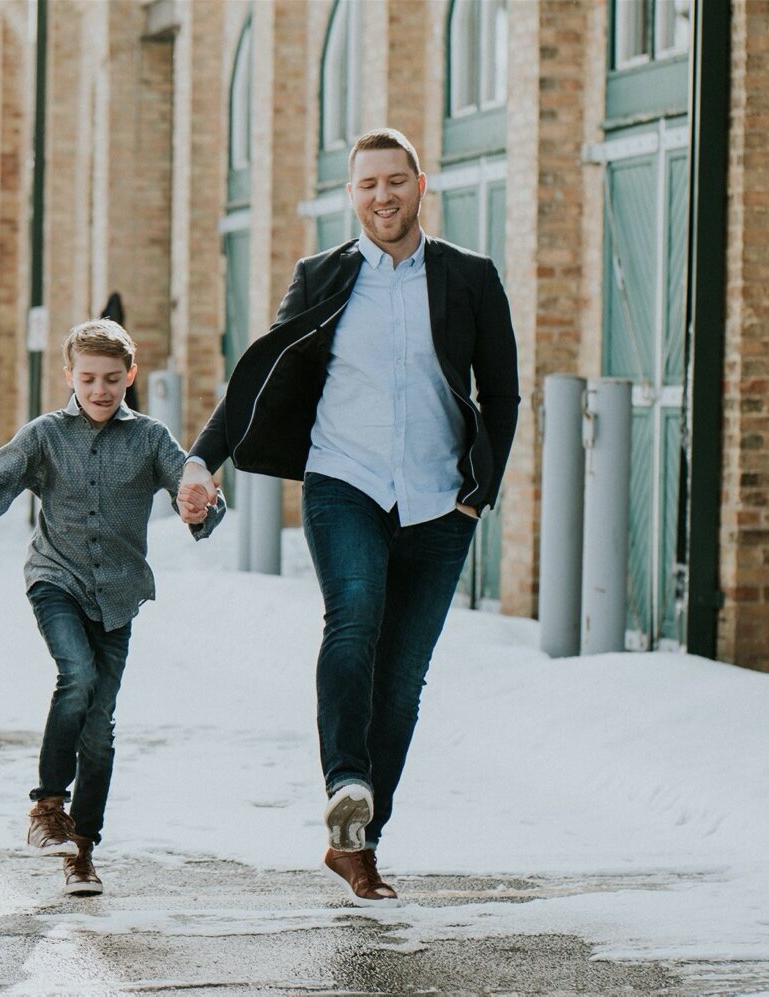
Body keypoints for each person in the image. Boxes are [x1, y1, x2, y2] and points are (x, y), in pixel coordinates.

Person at [179, 128, 520, 905]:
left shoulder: (469, 277)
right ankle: (346, 780)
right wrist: (204, 457)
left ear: (421, 185)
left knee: (400, 680)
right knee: (354, 616)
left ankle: (359, 839)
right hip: (346, 480)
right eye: (367, 184)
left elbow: (501, 391)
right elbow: (260, 374)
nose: (382, 197)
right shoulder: (322, 277)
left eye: (395, 182)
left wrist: (480, 490)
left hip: (440, 499)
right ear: (352, 194)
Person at [0, 320, 225, 896]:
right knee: (77, 675)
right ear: (69, 375)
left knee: (99, 729)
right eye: (89, 379)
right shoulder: (46, 434)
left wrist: (200, 508)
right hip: (57, 580)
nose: (100, 390)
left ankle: (82, 848)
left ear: (130, 377)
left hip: (117, 596)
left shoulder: (149, 438)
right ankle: (47, 806)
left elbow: (195, 490)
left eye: (113, 380)